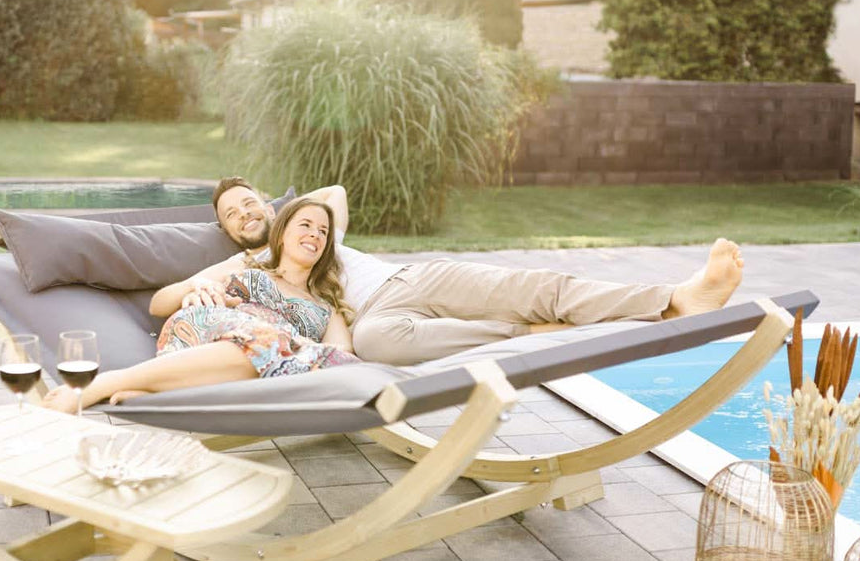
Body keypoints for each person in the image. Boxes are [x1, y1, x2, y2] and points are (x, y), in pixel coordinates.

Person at [154, 177, 746, 367]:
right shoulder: (239, 265)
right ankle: (533, 336)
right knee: (375, 341)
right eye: (234, 215)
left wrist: (294, 217)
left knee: (532, 288)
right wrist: (196, 284)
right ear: (228, 231)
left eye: (252, 201)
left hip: (409, 281)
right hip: (372, 327)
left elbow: (333, 194)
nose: (246, 213)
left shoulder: (310, 225)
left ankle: (674, 298)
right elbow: (164, 301)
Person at [42, 197, 359, 413]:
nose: (315, 235)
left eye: (323, 231)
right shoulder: (246, 267)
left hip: (258, 365)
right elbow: (158, 304)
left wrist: (295, 341)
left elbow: (342, 359)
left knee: (298, 355)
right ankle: (108, 382)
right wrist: (195, 286)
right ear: (281, 234)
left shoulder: (326, 309)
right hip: (200, 334)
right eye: (306, 225)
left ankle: (163, 392)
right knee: (268, 340)